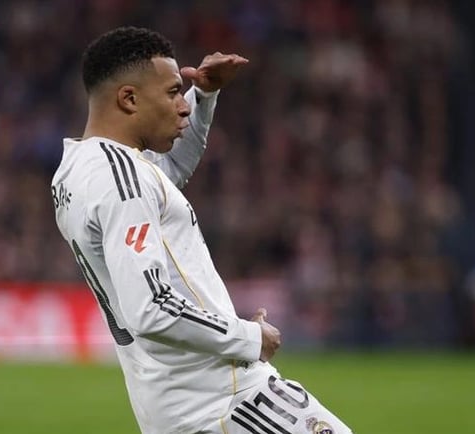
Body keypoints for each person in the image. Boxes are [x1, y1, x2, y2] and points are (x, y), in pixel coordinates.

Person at [52, 27, 352, 434]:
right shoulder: (122, 179)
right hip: (222, 399)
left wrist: (205, 95)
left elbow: (163, 178)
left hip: (177, 398)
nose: (183, 106)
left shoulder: (78, 172)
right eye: (174, 92)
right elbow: (151, 307)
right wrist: (250, 336)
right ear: (129, 98)